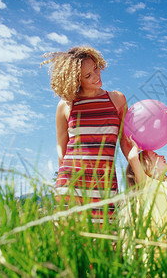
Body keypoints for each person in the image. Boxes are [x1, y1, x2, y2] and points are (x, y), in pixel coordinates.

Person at [42, 46, 130, 224]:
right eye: (88, 76)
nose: (97, 77)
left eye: (96, 69)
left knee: (106, 245)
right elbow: (62, 147)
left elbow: (125, 142)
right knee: (71, 246)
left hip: (104, 183)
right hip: (71, 183)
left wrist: (140, 172)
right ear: (76, 80)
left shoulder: (117, 99)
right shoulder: (66, 105)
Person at [120, 122, 167, 254]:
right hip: (154, 243)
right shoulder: (145, 183)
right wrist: (136, 145)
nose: (162, 156)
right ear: (147, 166)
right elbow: (132, 157)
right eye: (156, 156)